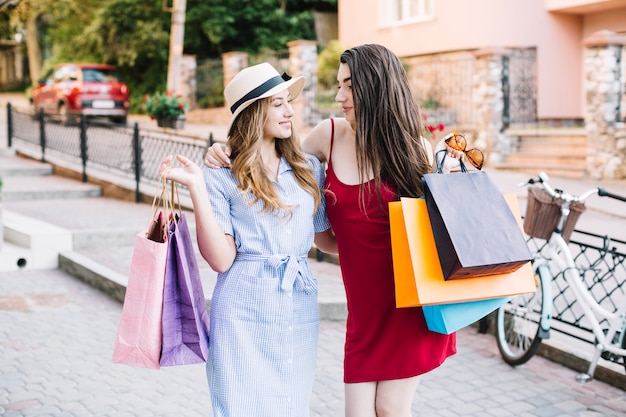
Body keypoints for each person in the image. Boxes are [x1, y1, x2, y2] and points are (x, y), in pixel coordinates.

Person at [205, 44, 460, 417]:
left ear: (375, 87)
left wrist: (448, 178)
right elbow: (275, 161)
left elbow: (436, 228)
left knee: (390, 408)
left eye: (349, 86)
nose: (339, 96)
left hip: (410, 302)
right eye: (339, 85)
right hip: (365, 311)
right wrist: (224, 151)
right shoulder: (328, 136)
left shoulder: (414, 149)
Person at [160, 62, 337, 417]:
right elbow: (221, 260)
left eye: (289, 102)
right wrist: (197, 186)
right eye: (278, 103)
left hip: (297, 303)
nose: (290, 111)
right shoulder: (223, 173)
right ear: (255, 112)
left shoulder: (308, 168)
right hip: (243, 309)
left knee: (291, 406)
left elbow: (327, 240)